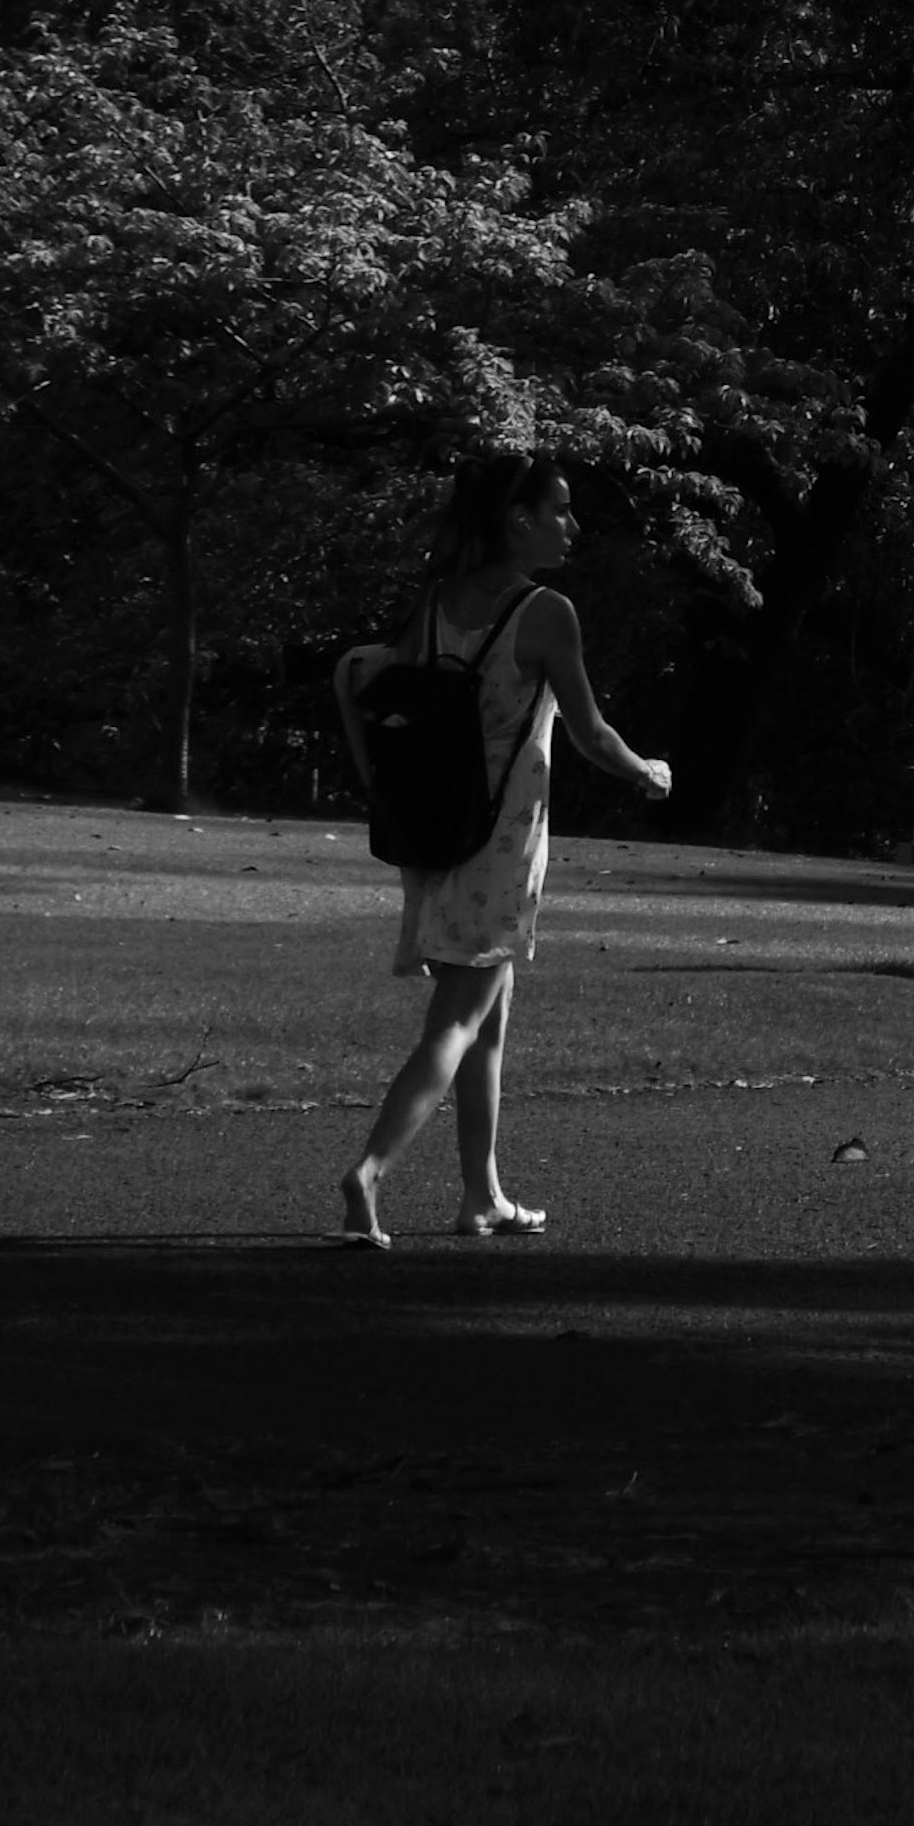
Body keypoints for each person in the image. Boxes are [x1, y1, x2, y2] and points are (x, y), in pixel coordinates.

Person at [332, 448, 669, 1245]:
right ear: (518, 520)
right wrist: (648, 771)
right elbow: (589, 732)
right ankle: (370, 1171)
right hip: (501, 840)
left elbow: (374, 689)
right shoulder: (545, 612)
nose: (571, 525)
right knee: (455, 1020)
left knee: (490, 1016)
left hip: (437, 833)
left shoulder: (438, 599)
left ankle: (482, 1193)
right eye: (559, 509)